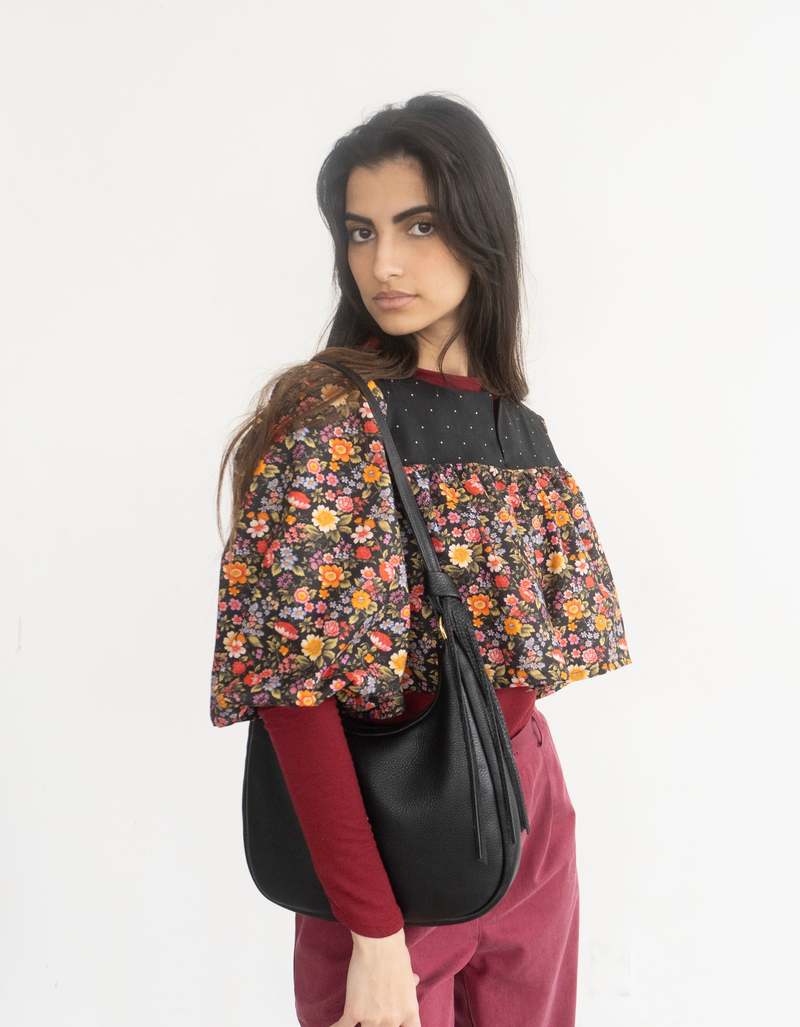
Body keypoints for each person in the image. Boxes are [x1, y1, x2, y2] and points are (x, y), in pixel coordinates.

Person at [209, 94, 633, 1027]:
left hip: (528, 823)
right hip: (386, 853)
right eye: (361, 231)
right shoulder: (328, 418)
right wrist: (372, 932)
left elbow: (523, 675)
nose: (383, 263)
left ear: (481, 233)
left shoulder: (517, 430)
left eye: (419, 225)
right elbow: (293, 693)